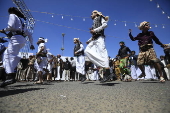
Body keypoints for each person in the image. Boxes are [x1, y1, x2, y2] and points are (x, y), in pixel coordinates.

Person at [0, 7, 35, 87]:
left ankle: (10, 76)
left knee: (7, 56)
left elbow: (11, 26)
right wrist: (31, 43)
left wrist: (4, 30)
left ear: (11, 11)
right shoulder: (22, 22)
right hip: (21, 39)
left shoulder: (12, 15)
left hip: (16, 39)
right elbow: (29, 34)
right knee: (8, 55)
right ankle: (21, 61)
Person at [84, 10, 110, 82]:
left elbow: (105, 25)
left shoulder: (100, 18)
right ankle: (102, 65)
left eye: (92, 13)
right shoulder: (94, 22)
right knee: (87, 51)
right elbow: (94, 33)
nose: (91, 14)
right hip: (94, 39)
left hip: (100, 38)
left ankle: (107, 71)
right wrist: (89, 40)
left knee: (103, 53)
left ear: (96, 14)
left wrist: (95, 30)